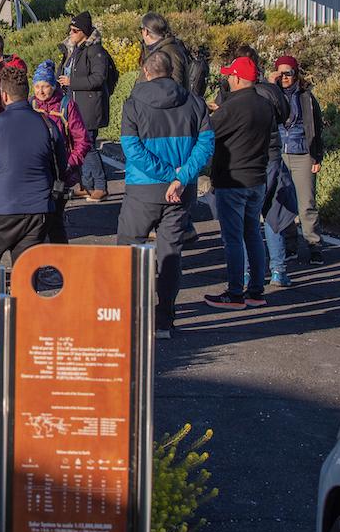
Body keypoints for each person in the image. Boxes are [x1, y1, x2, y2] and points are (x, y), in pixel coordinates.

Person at [117, 51, 214, 338]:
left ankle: (131, 315)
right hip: (180, 193)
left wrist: (166, 174)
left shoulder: (133, 105)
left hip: (143, 189)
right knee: (170, 254)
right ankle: (164, 319)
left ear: (146, 72)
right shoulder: (195, 103)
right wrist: (180, 177)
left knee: (129, 251)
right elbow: (206, 145)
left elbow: (132, 149)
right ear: (171, 72)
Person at [0, 66, 68, 265]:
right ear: (27, 92)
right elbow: (61, 167)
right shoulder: (47, 124)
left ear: (3, 95)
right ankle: (26, 296)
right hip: (38, 209)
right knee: (26, 273)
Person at [203, 56, 278, 310]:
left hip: (232, 179)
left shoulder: (233, 107)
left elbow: (209, 132)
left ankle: (235, 293)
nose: (227, 80)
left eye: (228, 76)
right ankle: (256, 290)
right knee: (253, 234)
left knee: (233, 238)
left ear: (236, 78)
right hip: (257, 178)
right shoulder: (264, 105)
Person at [271, 55, 325, 265]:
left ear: (296, 74)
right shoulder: (272, 95)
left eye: (289, 73)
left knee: (306, 204)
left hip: (302, 152)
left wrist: (316, 156)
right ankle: (289, 244)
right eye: (280, 73)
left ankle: (314, 245)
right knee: (284, 202)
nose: (284, 77)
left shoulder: (306, 98)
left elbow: (316, 128)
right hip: (279, 153)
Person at [30, 60, 88, 243]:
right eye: (37, 86)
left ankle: (61, 264)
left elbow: (82, 140)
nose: (41, 91)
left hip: (61, 172)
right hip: (36, 171)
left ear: (53, 85)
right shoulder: (30, 104)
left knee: (55, 221)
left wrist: (70, 163)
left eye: (45, 86)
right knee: (35, 222)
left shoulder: (66, 105)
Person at [57, 11, 111, 201]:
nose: (71, 33)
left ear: (85, 32)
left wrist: (72, 82)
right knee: (78, 145)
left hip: (89, 107)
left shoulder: (95, 51)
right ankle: (87, 185)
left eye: (75, 30)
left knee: (87, 146)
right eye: (70, 29)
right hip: (77, 105)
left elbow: (99, 78)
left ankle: (100, 186)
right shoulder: (76, 49)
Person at [139, 12, 188, 89]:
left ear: (146, 31)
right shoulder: (157, 49)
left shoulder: (170, 52)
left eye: (141, 29)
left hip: (158, 100)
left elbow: (175, 89)